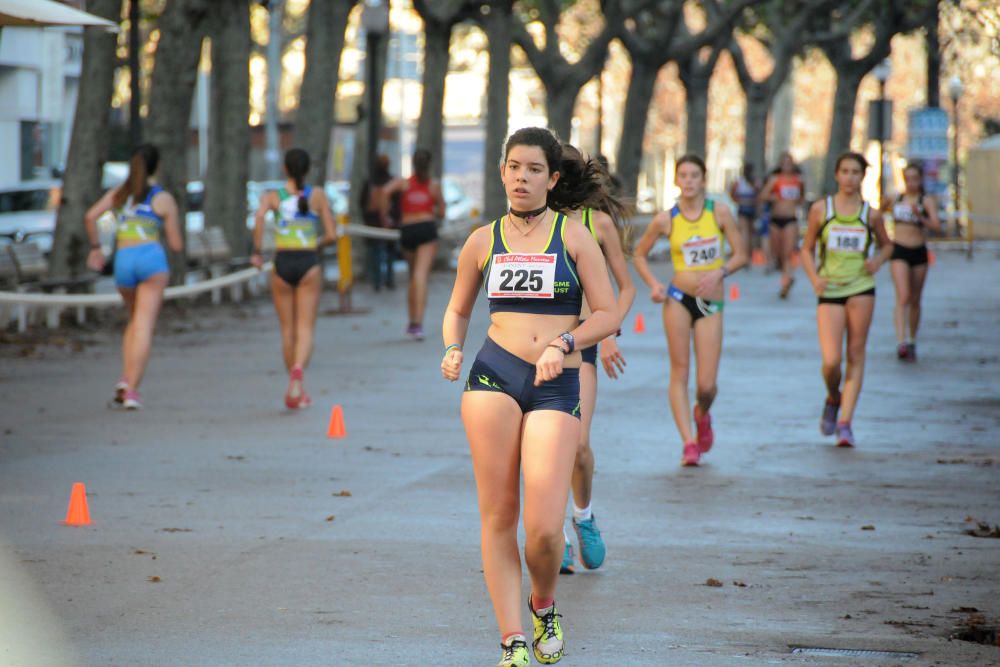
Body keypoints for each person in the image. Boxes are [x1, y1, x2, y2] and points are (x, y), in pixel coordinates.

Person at [440, 127, 618, 667]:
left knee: (542, 532)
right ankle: (512, 639)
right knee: (498, 515)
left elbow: (609, 312)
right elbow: (458, 309)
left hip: (554, 380)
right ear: (502, 173)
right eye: (514, 167)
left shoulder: (573, 237)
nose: (522, 177)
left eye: (534, 169)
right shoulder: (481, 240)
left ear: (552, 178)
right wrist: (452, 347)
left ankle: (544, 605)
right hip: (493, 374)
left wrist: (568, 340)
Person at [633, 154, 747, 467]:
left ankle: (703, 413)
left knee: (707, 384)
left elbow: (741, 254)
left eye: (694, 175)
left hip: (711, 301)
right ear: (676, 180)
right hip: (677, 299)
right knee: (679, 371)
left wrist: (720, 272)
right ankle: (688, 442)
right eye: (683, 175)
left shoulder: (719, 212)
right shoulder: (666, 219)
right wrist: (654, 285)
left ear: (703, 179)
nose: (688, 180)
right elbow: (639, 255)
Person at [555, 145, 635, 575]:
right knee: (544, 449)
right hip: (533, 346)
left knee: (579, 446)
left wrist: (608, 332)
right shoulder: (527, 224)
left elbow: (626, 288)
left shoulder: (596, 223)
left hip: (581, 343)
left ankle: (583, 517)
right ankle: (556, 536)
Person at [799, 151, 892, 447]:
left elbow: (888, 246)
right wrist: (815, 278)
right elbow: (806, 248)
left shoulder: (871, 214)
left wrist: (877, 261)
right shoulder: (821, 210)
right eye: (845, 171)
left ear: (862, 177)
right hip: (830, 290)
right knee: (831, 361)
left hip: (861, 287)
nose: (850, 178)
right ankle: (833, 396)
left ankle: (845, 422)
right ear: (836, 175)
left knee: (855, 353)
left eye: (856, 172)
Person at [84, 144, 182, 410]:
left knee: (133, 321)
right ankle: (132, 391)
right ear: (156, 166)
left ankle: (126, 377)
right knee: (144, 324)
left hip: (123, 262)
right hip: (151, 259)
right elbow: (176, 244)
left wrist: (96, 249)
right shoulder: (162, 199)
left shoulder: (120, 194)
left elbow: (91, 216)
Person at [250, 148, 337, 409]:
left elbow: (258, 218)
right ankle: (299, 372)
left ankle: (294, 383)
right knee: (305, 328)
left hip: (282, 262)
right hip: (309, 262)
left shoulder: (272, 197)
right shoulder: (318, 196)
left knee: (287, 329)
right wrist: (315, 245)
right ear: (307, 170)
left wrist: (257, 252)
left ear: (285, 169)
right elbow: (332, 235)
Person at [382, 149, 446, 340]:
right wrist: (434, 212)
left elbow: (384, 192)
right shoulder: (433, 186)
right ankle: (417, 323)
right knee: (420, 277)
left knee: (413, 277)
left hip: (407, 229)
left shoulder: (403, 183)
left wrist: (386, 216)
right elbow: (442, 211)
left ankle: (412, 321)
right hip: (426, 228)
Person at [887, 163, 940, 361]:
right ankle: (900, 341)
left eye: (915, 179)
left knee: (915, 299)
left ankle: (911, 339)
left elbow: (936, 226)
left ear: (920, 180)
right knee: (903, 296)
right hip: (899, 249)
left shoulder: (925, 200)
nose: (911, 183)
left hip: (918, 251)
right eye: (908, 178)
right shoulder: (897, 198)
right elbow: (879, 209)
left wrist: (920, 217)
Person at [760, 152, 805, 297]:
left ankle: (786, 282)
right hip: (775, 220)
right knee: (777, 254)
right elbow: (762, 196)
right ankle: (785, 275)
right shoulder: (775, 179)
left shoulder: (798, 181)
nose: (787, 165)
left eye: (789, 162)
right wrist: (773, 197)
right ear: (780, 164)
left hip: (790, 220)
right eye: (784, 163)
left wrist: (795, 201)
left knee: (787, 253)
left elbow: (801, 198)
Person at [361, 154, 398, 291]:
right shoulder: (391, 181)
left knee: (376, 252)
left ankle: (378, 280)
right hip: (386, 222)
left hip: (374, 222)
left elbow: (362, 203)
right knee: (388, 252)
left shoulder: (370, 182)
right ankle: (388, 279)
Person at [729, 161, 759, 265]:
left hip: (745, 208)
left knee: (746, 233)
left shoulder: (742, 182)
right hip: (748, 208)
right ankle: (747, 256)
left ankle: (746, 255)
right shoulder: (750, 182)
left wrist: (739, 201)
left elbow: (732, 194)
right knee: (748, 234)